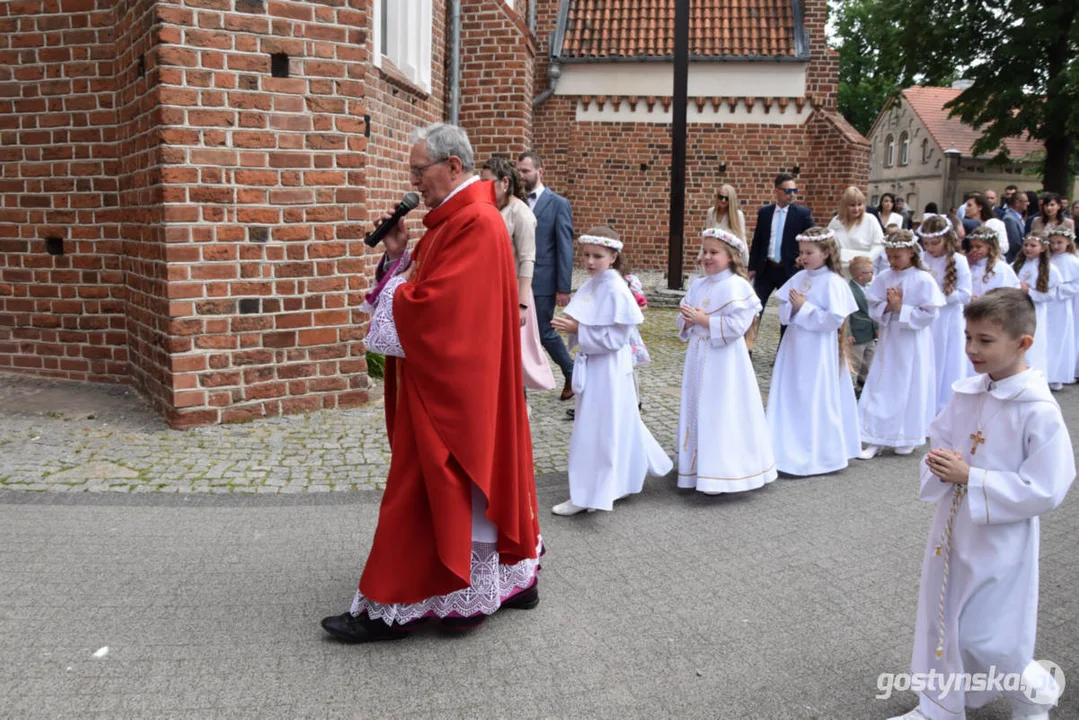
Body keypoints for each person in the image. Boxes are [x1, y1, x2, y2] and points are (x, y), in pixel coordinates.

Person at [322, 123, 541, 643]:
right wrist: (398, 255)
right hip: (452, 382)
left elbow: (440, 312)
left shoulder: (477, 224)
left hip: (454, 389)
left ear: (454, 166)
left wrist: (397, 291)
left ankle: (394, 605)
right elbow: (424, 285)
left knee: (425, 485)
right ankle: (506, 582)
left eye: (419, 172)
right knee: (457, 488)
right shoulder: (451, 221)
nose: (414, 182)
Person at [885, 288, 1074, 720]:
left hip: (1001, 537)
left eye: (985, 341)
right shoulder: (968, 392)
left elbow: (1049, 485)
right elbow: (943, 437)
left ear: (1023, 343)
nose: (971, 349)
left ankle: (1034, 698)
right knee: (942, 618)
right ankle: (939, 705)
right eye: (968, 337)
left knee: (991, 635)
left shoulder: (1038, 410)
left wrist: (973, 477)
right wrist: (941, 461)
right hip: (952, 528)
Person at [550, 227, 672, 515]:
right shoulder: (596, 283)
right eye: (587, 256)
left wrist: (579, 329)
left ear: (613, 256)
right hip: (597, 365)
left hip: (609, 369)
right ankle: (605, 486)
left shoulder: (615, 287)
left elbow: (617, 338)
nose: (590, 262)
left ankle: (592, 493)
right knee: (603, 425)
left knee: (600, 428)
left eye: (598, 256)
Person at [677, 227, 775, 493]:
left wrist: (704, 320)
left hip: (725, 361)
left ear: (731, 256)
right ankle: (697, 467)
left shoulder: (737, 286)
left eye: (713, 252)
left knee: (722, 408)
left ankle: (722, 471)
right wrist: (688, 320)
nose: (706, 257)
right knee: (698, 406)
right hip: (698, 354)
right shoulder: (698, 284)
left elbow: (737, 326)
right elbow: (684, 319)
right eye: (704, 251)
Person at [767, 227, 861, 476]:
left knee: (813, 395)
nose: (804, 257)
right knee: (791, 393)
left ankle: (817, 454)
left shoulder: (834, 282)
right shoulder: (799, 278)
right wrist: (793, 308)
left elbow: (833, 321)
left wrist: (805, 308)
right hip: (794, 346)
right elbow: (784, 313)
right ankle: (784, 448)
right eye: (801, 252)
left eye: (809, 252)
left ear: (826, 253)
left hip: (818, 351)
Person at [858, 230, 945, 459]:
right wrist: (887, 307)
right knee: (883, 384)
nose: (892, 261)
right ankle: (875, 436)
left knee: (911, 386)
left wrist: (901, 309)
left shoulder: (923, 278)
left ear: (910, 252)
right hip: (890, 339)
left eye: (897, 256)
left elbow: (930, 314)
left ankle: (907, 435)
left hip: (913, 341)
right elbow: (873, 307)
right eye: (889, 256)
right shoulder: (884, 277)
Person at [480, 157, 556, 394]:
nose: (482, 188)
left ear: (504, 182)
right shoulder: (490, 209)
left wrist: (521, 303)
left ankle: (518, 406)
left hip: (513, 292)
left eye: (487, 182)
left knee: (516, 355)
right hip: (491, 291)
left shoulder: (520, 212)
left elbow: (527, 259)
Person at [517, 151, 576, 401]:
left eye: (526, 171)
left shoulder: (558, 203)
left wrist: (563, 287)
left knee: (542, 330)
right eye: (518, 171)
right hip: (516, 278)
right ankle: (519, 387)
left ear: (540, 172)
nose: (521, 176)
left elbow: (564, 247)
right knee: (517, 333)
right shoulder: (514, 201)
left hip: (542, 280)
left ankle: (571, 371)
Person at [917, 216, 972, 414]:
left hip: (948, 320)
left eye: (935, 243)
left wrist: (940, 297)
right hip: (926, 318)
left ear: (947, 239)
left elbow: (966, 294)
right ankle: (923, 406)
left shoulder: (959, 261)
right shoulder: (922, 259)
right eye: (926, 243)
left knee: (946, 362)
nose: (930, 248)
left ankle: (943, 408)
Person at [747, 173, 815, 330]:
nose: (792, 195)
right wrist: (752, 267)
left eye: (794, 191)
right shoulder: (765, 213)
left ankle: (783, 352)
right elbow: (757, 241)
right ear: (777, 191)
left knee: (787, 312)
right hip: (766, 268)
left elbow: (813, 237)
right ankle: (747, 348)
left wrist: (802, 256)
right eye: (788, 191)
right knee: (755, 308)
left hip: (789, 269)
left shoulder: (802, 214)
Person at [1012, 234, 1059, 379]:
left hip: (1035, 311)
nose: (1028, 248)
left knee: (1034, 345)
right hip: (1017, 310)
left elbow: (1050, 296)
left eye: (1033, 246)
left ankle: (1034, 377)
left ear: (1043, 248)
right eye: (1026, 245)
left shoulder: (1049, 269)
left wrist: (1029, 292)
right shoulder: (1016, 265)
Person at [1046, 227, 1078, 390]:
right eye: (1052, 243)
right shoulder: (1047, 259)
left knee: (1060, 338)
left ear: (1068, 242)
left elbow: (1076, 284)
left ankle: (1058, 374)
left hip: (1062, 304)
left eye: (1060, 242)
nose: (1056, 246)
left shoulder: (1072, 261)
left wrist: (1060, 289)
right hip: (1047, 304)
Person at [828, 186, 885, 268]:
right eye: (852, 205)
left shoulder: (870, 220)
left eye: (859, 204)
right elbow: (828, 243)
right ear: (844, 206)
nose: (856, 209)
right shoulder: (836, 221)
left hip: (862, 270)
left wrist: (866, 260)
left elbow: (879, 245)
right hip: (839, 268)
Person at [847, 255, 878, 393]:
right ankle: (850, 387)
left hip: (869, 333)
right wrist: (848, 333)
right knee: (855, 363)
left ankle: (862, 387)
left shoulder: (869, 288)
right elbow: (846, 314)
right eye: (870, 272)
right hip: (857, 333)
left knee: (868, 362)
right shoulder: (850, 290)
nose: (872, 275)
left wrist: (876, 327)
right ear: (860, 275)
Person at [704, 183, 748, 261]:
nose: (723, 200)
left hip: (729, 258)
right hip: (712, 257)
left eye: (726, 198)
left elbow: (742, 239)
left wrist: (746, 263)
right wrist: (700, 256)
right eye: (721, 197)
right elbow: (707, 236)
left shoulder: (737, 215)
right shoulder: (711, 212)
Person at [963, 192, 1008, 258]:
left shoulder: (995, 223)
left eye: (969, 205)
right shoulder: (965, 224)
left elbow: (1005, 247)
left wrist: (986, 247)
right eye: (966, 205)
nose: (966, 208)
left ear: (980, 207)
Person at [1002, 191, 1028, 263]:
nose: (1028, 203)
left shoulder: (1019, 217)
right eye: (1025, 201)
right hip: (1014, 259)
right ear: (1017, 203)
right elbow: (1015, 243)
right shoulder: (1010, 219)